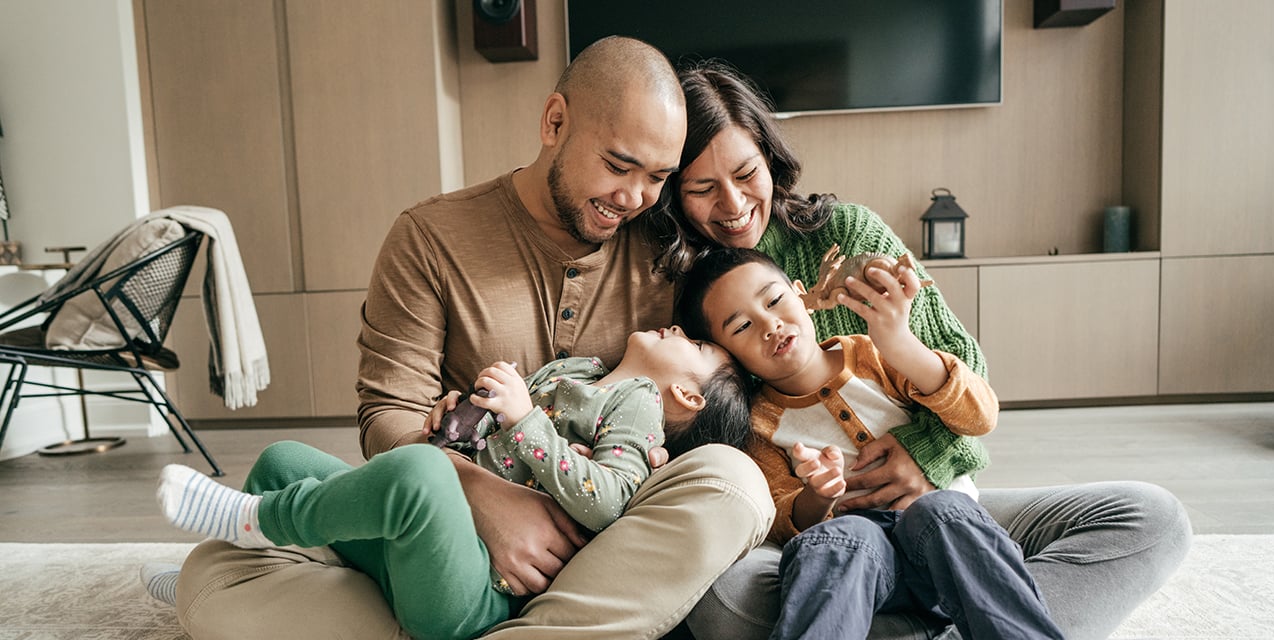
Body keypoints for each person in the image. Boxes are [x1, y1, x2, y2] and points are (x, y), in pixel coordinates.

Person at [167, 38, 774, 640]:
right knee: (257, 508)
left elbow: (734, 370)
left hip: (589, 563)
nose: (634, 198)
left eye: (658, 178)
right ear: (554, 121)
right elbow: (388, 414)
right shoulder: (430, 237)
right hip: (448, 535)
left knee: (733, 482)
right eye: (618, 166)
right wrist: (481, 495)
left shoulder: (667, 250)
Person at [654, 59, 1191, 640]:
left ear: (769, 158)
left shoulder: (850, 244)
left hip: (941, 508)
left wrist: (919, 454)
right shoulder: (680, 291)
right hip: (834, 538)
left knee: (1153, 519)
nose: (732, 204)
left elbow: (971, 382)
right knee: (728, 593)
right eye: (702, 189)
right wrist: (813, 498)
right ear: (673, 195)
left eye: (745, 174)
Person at [154, 324, 751, 639]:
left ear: (688, 393)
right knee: (284, 459)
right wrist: (454, 424)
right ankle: (204, 577)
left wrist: (525, 420)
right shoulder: (577, 372)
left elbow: (609, 500)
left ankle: (253, 524)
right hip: (426, 550)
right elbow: (488, 451)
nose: (677, 327)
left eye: (695, 344)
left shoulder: (637, 405)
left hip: (476, 597)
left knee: (417, 474)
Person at [676, 247, 1064, 640]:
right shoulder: (759, 425)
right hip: (863, 569)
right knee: (835, 541)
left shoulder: (874, 354)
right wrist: (817, 495)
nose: (770, 325)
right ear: (728, 355)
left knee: (943, 510)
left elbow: (979, 416)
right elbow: (780, 515)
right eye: (741, 326)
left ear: (801, 296)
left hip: (949, 549)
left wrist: (901, 345)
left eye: (774, 301)